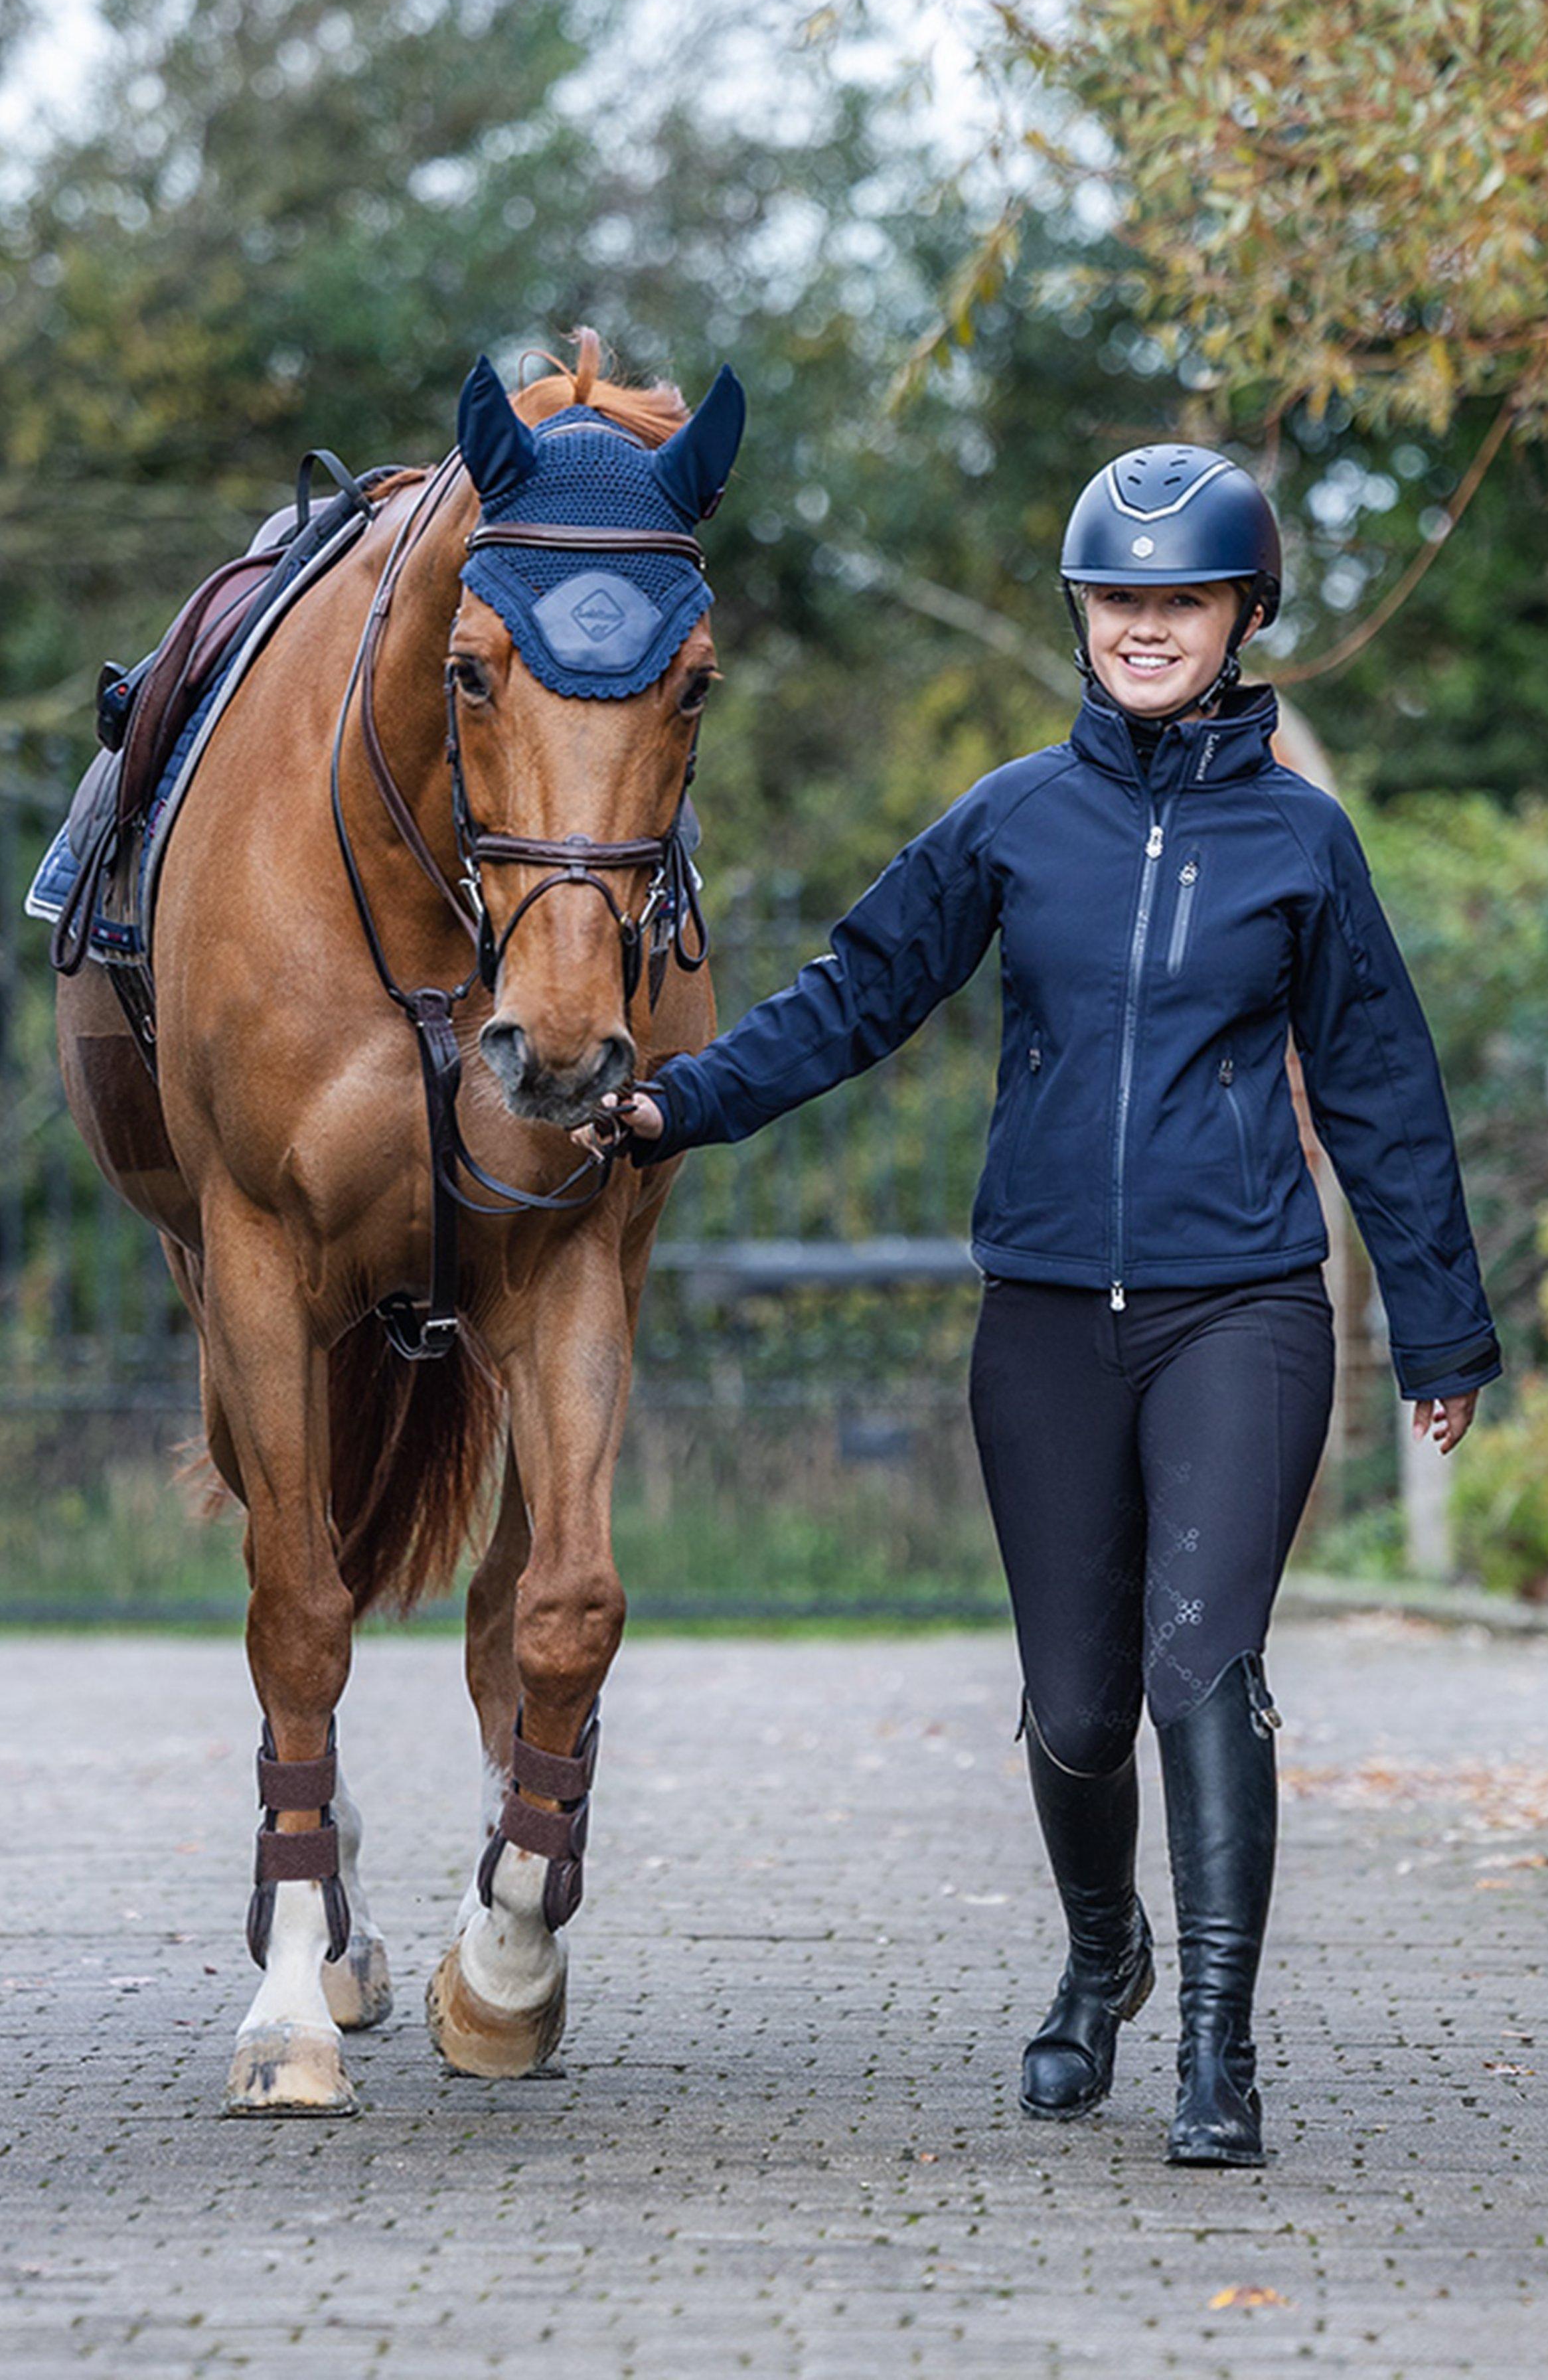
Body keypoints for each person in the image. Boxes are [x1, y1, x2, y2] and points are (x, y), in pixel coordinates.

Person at [578, 443, 1500, 2168]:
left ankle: (1217, 2049)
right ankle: (1105, 1957)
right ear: (1082, 617)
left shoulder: (1303, 840)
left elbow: (1381, 1084)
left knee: (1198, 1664)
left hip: (1243, 1309)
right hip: (1050, 1320)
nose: (1148, 626)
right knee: (1074, 1707)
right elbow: (856, 996)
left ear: (1243, 616)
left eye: (1184, 600)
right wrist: (674, 1104)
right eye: (1119, 599)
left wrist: (1440, 1326)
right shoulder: (1012, 820)